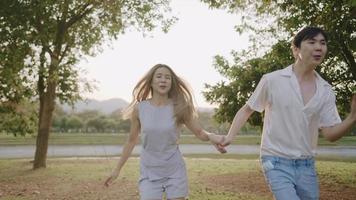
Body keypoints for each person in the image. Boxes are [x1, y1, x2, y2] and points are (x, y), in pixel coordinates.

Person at [220, 26, 356, 200]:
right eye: (312, 42)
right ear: (296, 49)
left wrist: (352, 117)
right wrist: (230, 137)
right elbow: (247, 109)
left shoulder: (326, 90)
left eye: (323, 43)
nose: (319, 47)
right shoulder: (272, 80)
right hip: (275, 161)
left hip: (307, 165)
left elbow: (330, 133)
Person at [104, 64, 226, 200]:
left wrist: (211, 137)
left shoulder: (179, 107)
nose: (163, 80)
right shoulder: (140, 108)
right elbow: (131, 141)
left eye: (168, 77)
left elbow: (199, 132)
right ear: (151, 81)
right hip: (149, 170)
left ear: (171, 82)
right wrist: (117, 169)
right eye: (159, 76)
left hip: (174, 169)